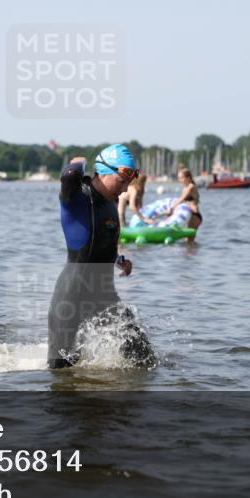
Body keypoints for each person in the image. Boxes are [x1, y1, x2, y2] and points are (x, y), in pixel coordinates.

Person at [48, 144, 155, 369]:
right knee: (62, 373)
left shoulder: (112, 201)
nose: (125, 190)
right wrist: (79, 160)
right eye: (122, 181)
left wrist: (118, 260)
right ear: (104, 171)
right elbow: (69, 176)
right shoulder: (77, 197)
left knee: (144, 360)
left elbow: (99, 242)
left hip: (104, 295)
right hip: (71, 298)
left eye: (128, 183)